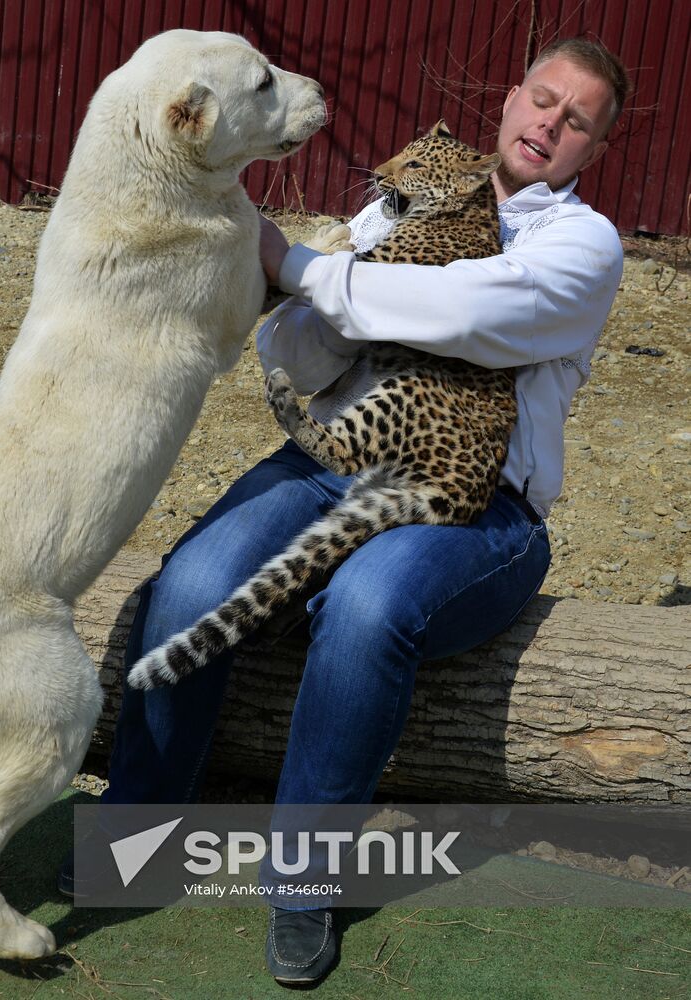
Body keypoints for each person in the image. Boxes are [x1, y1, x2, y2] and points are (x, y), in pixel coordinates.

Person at [59, 37, 630, 985]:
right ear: (510, 100)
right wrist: (323, 306)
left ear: (591, 153)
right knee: (195, 580)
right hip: (337, 461)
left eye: (576, 121)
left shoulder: (579, 245)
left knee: (365, 609)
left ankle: (301, 882)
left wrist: (312, 271)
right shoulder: (399, 201)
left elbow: (462, 310)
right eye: (541, 98)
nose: (548, 124)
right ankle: (139, 828)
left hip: (477, 506)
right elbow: (297, 350)